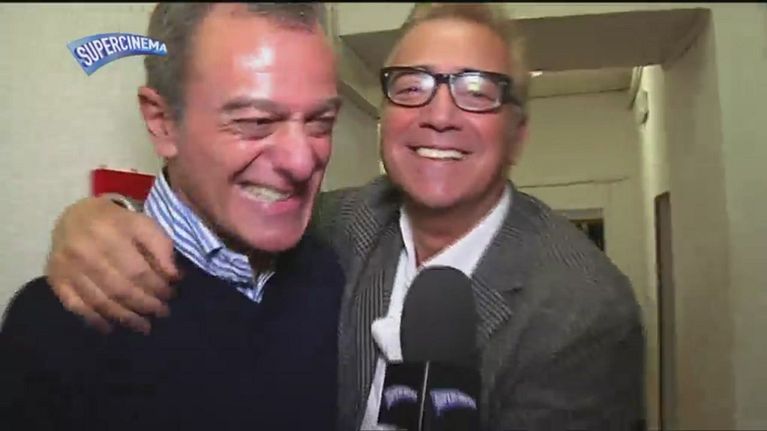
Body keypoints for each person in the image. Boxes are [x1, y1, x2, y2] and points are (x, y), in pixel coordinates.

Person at [39, 3, 646, 430]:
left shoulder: (583, 307)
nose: (439, 115)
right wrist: (105, 217)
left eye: (477, 92)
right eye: (412, 86)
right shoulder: (334, 226)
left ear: (517, 134)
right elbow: (221, 213)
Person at [0, 3, 344, 430]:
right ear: (162, 122)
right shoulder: (61, 324)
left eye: (321, 122)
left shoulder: (333, 271)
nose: (301, 161)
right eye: (255, 122)